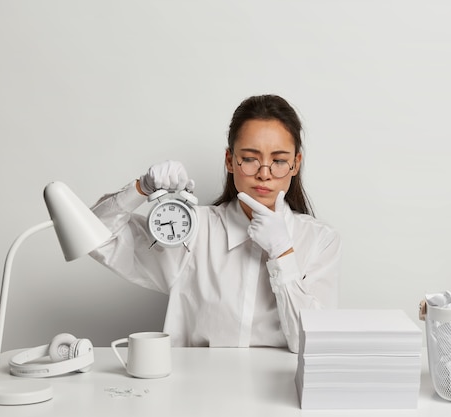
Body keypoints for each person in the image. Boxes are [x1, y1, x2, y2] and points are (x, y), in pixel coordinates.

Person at [90, 94, 342, 353]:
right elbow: (94, 236)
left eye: (278, 160)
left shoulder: (319, 241)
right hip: (197, 391)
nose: (264, 173)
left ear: (295, 164)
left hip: (279, 392)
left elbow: (313, 345)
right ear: (230, 160)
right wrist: (140, 188)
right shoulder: (194, 229)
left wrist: (283, 253)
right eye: (250, 158)